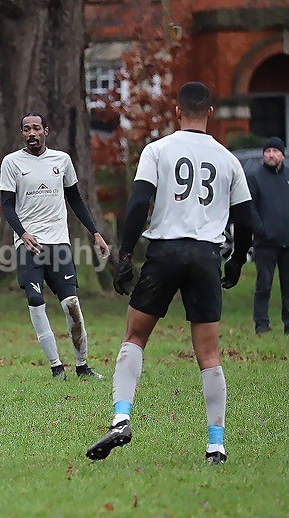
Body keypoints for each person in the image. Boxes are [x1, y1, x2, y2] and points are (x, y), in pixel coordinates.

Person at [85, 81, 253, 465]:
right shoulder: (228, 159)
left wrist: (125, 255)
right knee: (209, 353)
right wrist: (237, 261)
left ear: (177, 111)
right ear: (210, 112)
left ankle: (121, 416)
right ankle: (216, 445)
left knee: (135, 336)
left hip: (165, 251)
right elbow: (246, 220)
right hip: (206, 254)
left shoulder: (157, 150)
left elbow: (139, 202)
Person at [0, 113, 110, 380]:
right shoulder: (11, 162)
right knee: (36, 301)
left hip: (58, 243)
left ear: (46, 130)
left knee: (71, 303)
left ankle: (82, 366)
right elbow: (6, 205)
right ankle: (56, 366)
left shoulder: (62, 160)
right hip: (29, 245)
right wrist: (22, 233)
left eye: (36, 128)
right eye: (26, 129)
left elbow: (76, 199)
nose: (31, 133)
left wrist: (95, 233)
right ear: (22, 133)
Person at [246, 136, 289, 335]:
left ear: (282, 154)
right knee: (263, 285)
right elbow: (250, 208)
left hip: (287, 242)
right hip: (265, 243)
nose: (271, 155)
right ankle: (261, 325)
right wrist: (261, 230)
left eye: (275, 151)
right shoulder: (255, 177)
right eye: (267, 151)